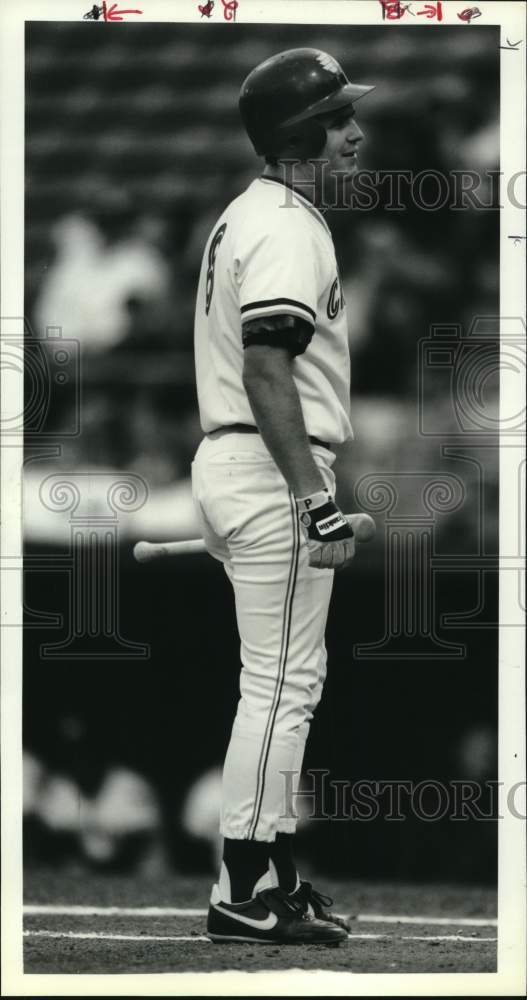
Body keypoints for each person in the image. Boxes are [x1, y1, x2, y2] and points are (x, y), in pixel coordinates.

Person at [191, 48, 374, 945]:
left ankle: (274, 872)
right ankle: (242, 886)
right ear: (302, 133)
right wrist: (311, 496)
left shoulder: (254, 213)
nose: (356, 134)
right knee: (278, 685)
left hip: (244, 464)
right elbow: (267, 368)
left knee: (286, 681)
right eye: (339, 121)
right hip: (270, 469)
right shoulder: (286, 227)